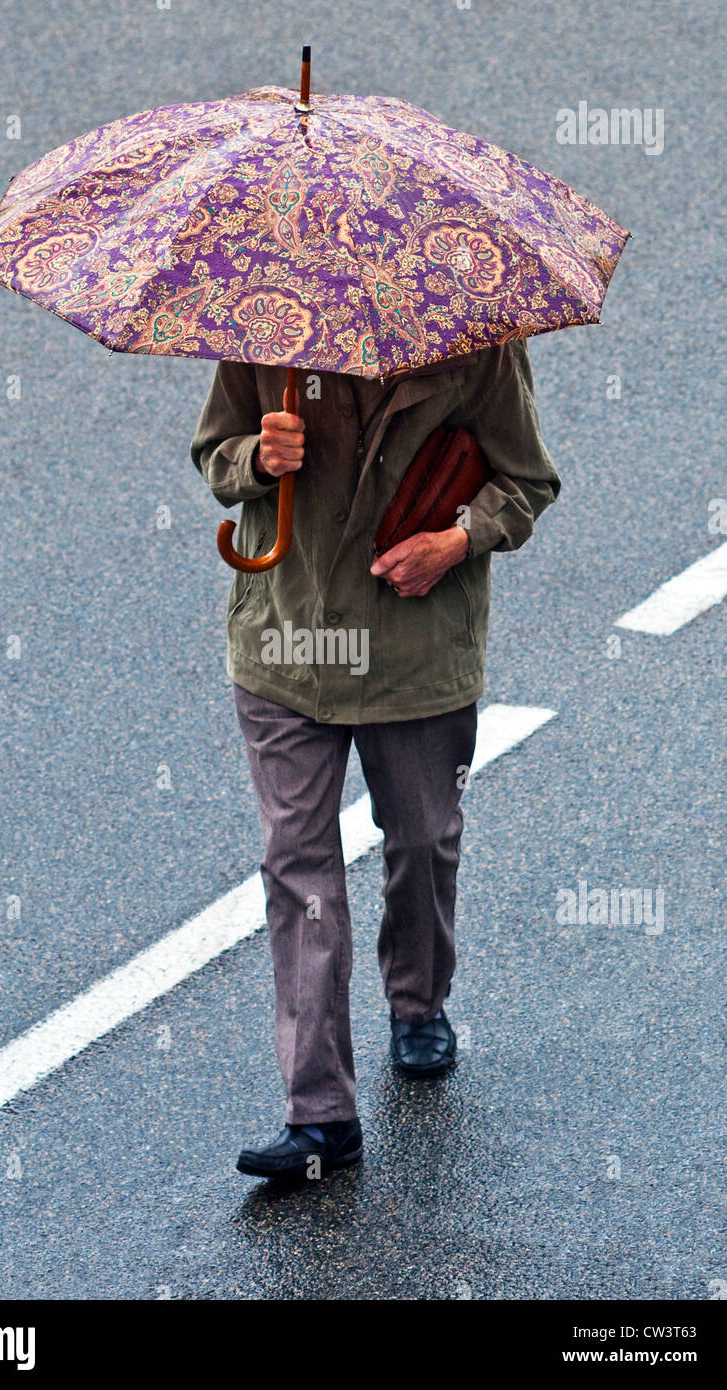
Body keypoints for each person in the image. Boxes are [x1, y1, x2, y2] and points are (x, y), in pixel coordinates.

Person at [191, 341, 560, 1180]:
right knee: (298, 869)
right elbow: (215, 457)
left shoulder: (478, 343)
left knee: (423, 840)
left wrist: (456, 541)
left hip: (414, 654)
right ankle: (320, 1115)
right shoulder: (265, 329)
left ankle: (418, 1001)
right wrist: (255, 457)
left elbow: (527, 482)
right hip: (285, 647)